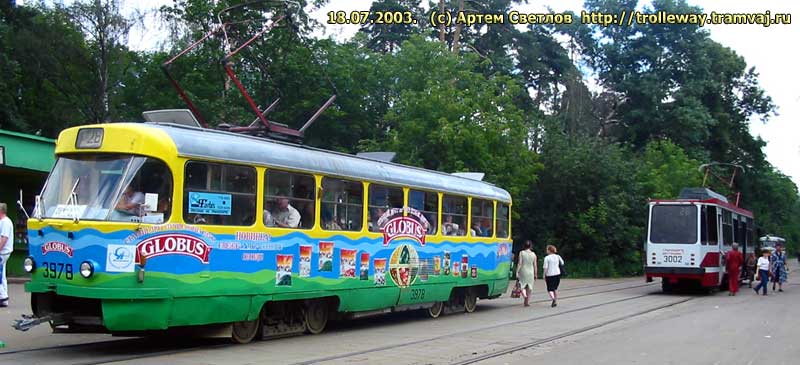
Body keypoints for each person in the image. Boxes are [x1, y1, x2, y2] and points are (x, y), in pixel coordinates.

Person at [516, 240, 538, 307]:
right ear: (530, 246)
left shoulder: (521, 253)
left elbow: (520, 263)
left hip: (523, 271)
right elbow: (535, 265)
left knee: (522, 286)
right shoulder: (534, 254)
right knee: (529, 287)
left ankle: (525, 296)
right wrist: (535, 274)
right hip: (531, 271)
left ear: (524, 246)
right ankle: (527, 301)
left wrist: (517, 272)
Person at [0, 203, 14, 307]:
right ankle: (3, 298)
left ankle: (3, 296)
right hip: (5, 251)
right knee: (2, 275)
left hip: (3, 252)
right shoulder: (5, 221)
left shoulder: (5, 222)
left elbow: (4, 239)